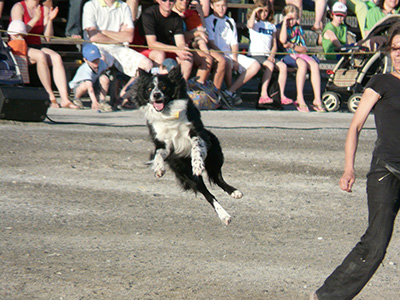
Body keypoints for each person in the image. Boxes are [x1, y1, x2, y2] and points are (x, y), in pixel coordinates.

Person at [311, 24, 400, 300]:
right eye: (395, 49)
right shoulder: (382, 82)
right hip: (386, 173)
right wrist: (349, 168)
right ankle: (327, 297)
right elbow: (355, 126)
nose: (399, 54)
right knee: (375, 245)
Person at [10, 0, 79, 109]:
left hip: (37, 44)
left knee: (56, 57)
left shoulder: (44, 9)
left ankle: (65, 98)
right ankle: (50, 95)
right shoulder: (19, 7)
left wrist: (50, 20)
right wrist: (36, 19)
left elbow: (47, 38)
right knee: (40, 55)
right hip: (20, 44)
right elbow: (18, 34)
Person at [205, 0, 261, 107]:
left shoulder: (230, 21)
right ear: (212, 6)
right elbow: (211, 43)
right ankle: (228, 95)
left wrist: (235, 58)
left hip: (230, 54)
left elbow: (234, 43)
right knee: (227, 62)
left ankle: (229, 91)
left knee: (255, 65)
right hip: (217, 53)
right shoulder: (209, 20)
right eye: (218, 6)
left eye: (223, 6)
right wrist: (225, 56)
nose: (221, 8)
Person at [82, 0, 153, 83]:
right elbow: (94, 37)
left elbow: (129, 37)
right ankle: (97, 94)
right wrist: (120, 36)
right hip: (97, 47)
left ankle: (125, 93)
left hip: (119, 48)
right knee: (100, 60)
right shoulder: (90, 5)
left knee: (147, 65)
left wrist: (102, 32)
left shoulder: (124, 6)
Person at [172, 0, 226, 98]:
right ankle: (196, 90)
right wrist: (196, 34)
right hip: (180, 45)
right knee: (207, 59)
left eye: (186, 0)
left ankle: (214, 95)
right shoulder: (173, 14)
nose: (184, 2)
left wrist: (199, 12)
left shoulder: (190, 13)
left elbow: (203, 30)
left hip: (194, 44)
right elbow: (179, 36)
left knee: (222, 60)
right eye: (181, 0)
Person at [279, 4, 325, 112]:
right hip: (287, 56)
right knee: (302, 65)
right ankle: (300, 97)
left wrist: (292, 46)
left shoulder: (298, 29)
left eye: (294, 19)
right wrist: (284, 24)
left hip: (299, 53)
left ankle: (317, 99)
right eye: (289, 19)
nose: (292, 22)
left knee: (314, 64)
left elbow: (304, 49)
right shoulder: (280, 28)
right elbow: (282, 41)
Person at [247, 0, 293, 106]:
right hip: (256, 54)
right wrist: (255, 12)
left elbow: (274, 45)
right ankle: (263, 94)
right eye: (261, 11)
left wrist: (272, 55)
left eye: (266, 11)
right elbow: (249, 25)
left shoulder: (271, 26)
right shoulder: (255, 23)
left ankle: (281, 95)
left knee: (283, 66)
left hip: (267, 55)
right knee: (270, 66)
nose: (264, 14)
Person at [138, 0, 193, 80]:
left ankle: (180, 88)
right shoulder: (149, 14)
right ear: (159, 1)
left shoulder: (176, 18)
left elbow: (180, 42)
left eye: (171, 0)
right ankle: (156, 83)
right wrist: (176, 49)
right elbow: (151, 44)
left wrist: (182, 49)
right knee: (160, 55)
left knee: (187, 59)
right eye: (164, 0)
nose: (168, 3)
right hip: (143, 47)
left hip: (165, 49)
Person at [68, 44, 112, 112]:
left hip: (94, 83)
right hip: (79, 87)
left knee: (105, 78)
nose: (96, 62)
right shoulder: (85, 69)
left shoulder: (102, 63)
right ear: (85, 60)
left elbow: (103, 73)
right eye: (93, 61)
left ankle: (102, 101)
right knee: (85, 85)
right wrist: (94, 102)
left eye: (97, 59)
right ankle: (76, 98)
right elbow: (90, 87)